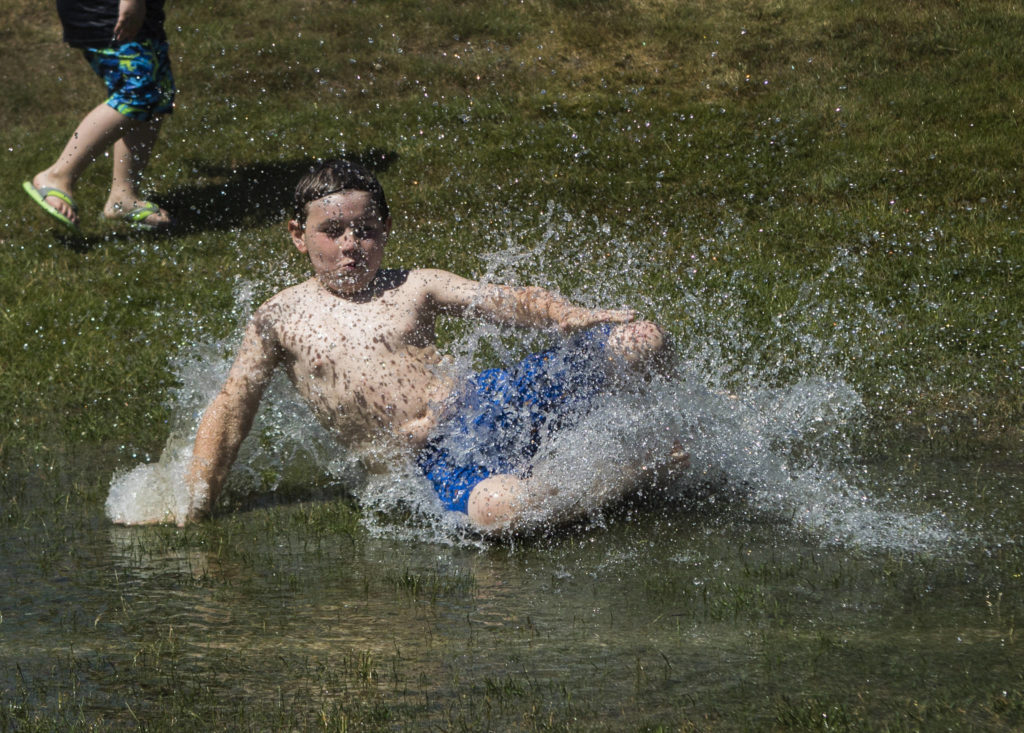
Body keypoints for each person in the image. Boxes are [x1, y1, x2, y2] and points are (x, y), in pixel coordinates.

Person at [180, 159, 687, 534]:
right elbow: (231, 408)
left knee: (640, 337)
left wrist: (564, 314)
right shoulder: (279, 318)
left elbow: (502, 301)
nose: (351, 245)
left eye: (366, 230)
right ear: (298, 234)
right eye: (331, 231)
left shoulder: (415, 285)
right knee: (500, 513)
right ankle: (639, 468)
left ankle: (693, 413)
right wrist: (198, 501)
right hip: (436, 459)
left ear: (386, 229)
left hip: (492, 403)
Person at [22, 0, 175, 236]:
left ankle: (123, 197)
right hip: (107, 9)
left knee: (156, 93)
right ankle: (57, 176)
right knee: (138, 93)